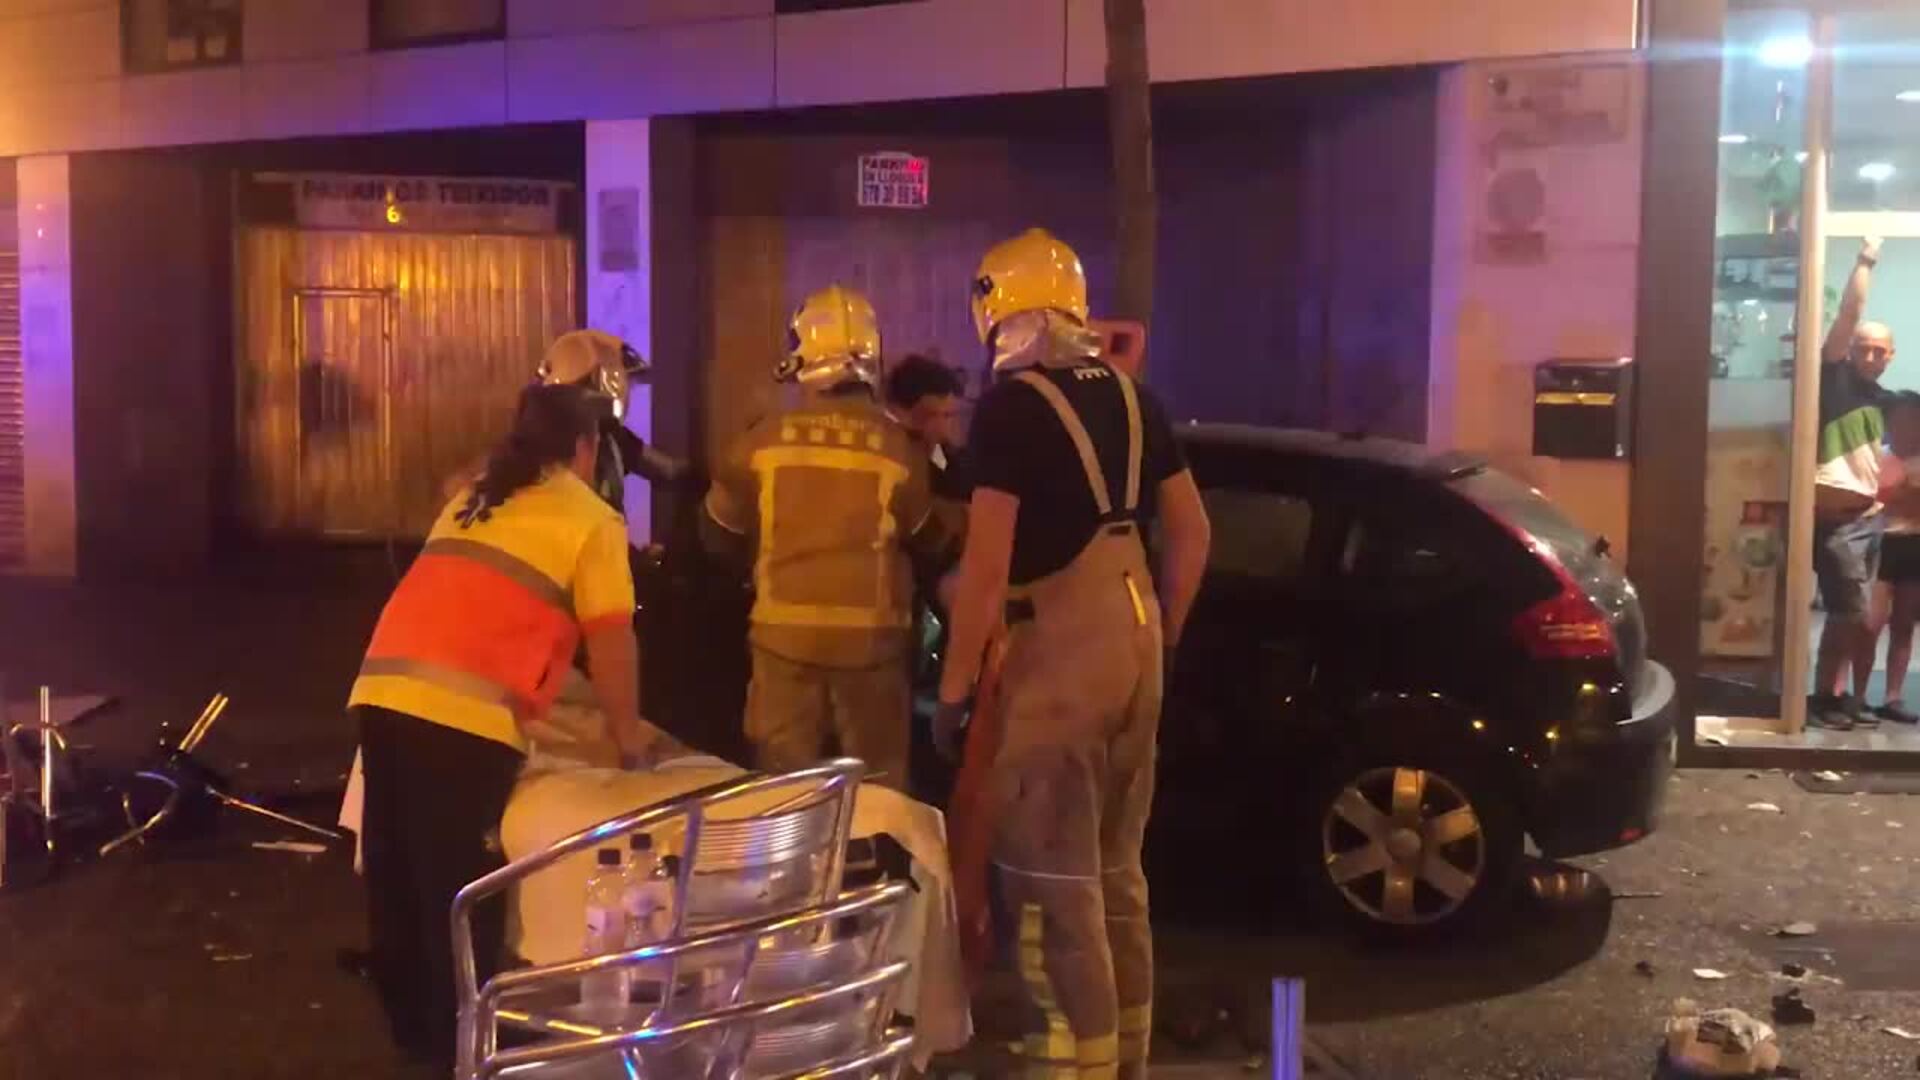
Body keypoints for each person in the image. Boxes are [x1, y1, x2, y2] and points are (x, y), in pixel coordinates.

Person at [934, 228, 1212, 1079]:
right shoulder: (1138, 399)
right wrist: (1156, 637)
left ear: (999, 314)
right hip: (1137, 656)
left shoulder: (1013, 410)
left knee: (1052, 890)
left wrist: (951, 697)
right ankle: (1125, 1059)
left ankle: (1070, 1066)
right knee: (1118, 876)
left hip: (1059, 666)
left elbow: (985, 572)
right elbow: (1194, 535)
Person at [348, 383, 667, 1068]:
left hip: (380, 691)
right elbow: (611, 641)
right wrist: (630, 737)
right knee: (459, 889)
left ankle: (414, 1037)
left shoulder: (475, 498)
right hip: (461, 720)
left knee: (399, 874)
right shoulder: (590, 518)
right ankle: (462, 1048)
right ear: (587, 449)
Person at [701, 284, 953, 791]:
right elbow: (933, 538)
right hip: (875, 658)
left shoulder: (760, 441)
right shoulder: (899, 449)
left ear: (801, 358)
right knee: (878, 796)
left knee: (783, 800)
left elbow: (716, 534)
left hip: (781, 650)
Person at [1811, 235, 1893, 731]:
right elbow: (1848, 313)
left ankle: (1832, 695)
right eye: (1862, 348)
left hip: (1870, 521)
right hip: (1838, 524)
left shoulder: (1883, 401)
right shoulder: (1833, 380)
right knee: (1850, 615)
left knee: (1853, 619)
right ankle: (1823, 696)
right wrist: (1866, 258)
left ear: (1890, 356)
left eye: (1878, 350)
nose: (1868, 355)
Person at [1874, 391, 1920, 725]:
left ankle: (1893, 696)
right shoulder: (1876, 457)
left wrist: (1898, 494)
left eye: (1914, 419)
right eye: (1900, 419)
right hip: (1878, 543)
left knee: (1903, 625)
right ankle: (1852, 695)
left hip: (1914, 545)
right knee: (1868, 623)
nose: (1907, 426)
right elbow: (1874, 502)